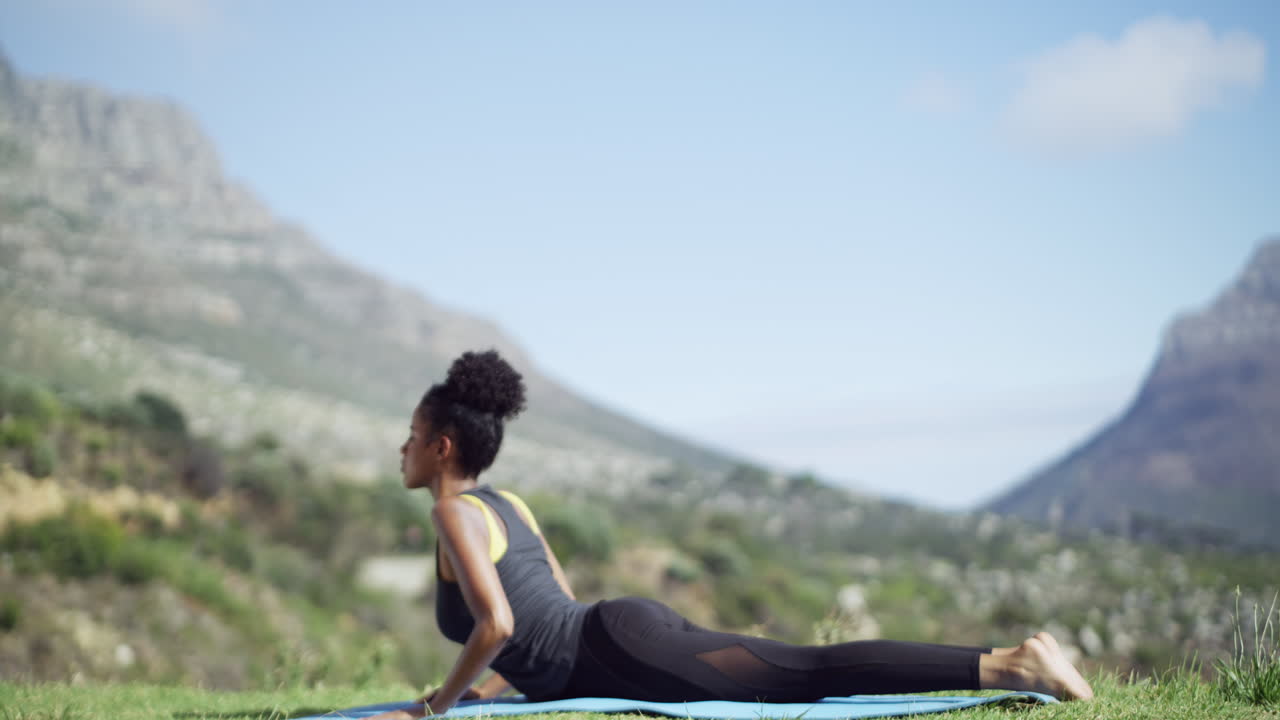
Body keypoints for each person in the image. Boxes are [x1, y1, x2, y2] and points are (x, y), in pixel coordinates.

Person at [368, 350, 1093, 720]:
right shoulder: (508, 504)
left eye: (411, 437)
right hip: (617, 631)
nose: (401, 450)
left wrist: (433, 709)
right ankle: (1010, 661)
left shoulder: (453, 512)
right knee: (794, 671)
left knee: (805, 675)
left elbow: (498, 622)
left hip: (618, 645)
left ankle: (1011, 666)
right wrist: (489, 690)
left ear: (442, 448)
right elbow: (545, 610)